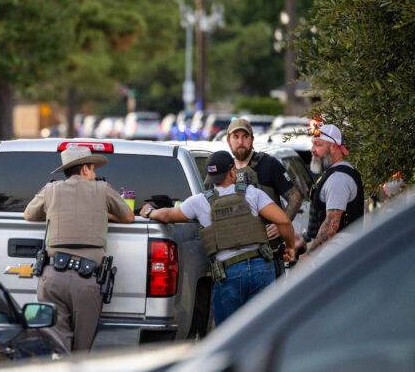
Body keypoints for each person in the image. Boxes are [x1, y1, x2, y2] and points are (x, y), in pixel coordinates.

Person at [140, 150, 295, 325]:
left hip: (229, 273)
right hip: (261, 267)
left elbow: (168, 215)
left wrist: (149, 212)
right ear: (232, 172)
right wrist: (290, 248)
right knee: (261, 330)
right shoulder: (252, 193)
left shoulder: (199, 202)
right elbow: (283, 221)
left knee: (227, 333)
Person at [24, 146, 134, 352]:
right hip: (87, 280)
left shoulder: (50, 190)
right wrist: (103, 214)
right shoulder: (102, 189)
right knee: (81, 351)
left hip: (51, 278)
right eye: (93, 170)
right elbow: (129, 216)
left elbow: (29, 215)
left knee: (57, 346)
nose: (95, 175)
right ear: (85, 169)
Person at [227, 118, 303, 276]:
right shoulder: (224, 169)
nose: (240, 141)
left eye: (245, 136)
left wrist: (280, 223)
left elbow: (295, 197)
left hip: (268, 258)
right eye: (236, 137)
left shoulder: (269, 164)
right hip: (236, 260)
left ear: (252, 139)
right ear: (229, 141)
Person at [305, 124, 364, 254]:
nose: (312, 149)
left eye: (318, 144)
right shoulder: (333, 173)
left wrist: (309, 256)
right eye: (312, 144)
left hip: (337, 256)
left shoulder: (339, 178)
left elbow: (331, 225)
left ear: (334, 147)